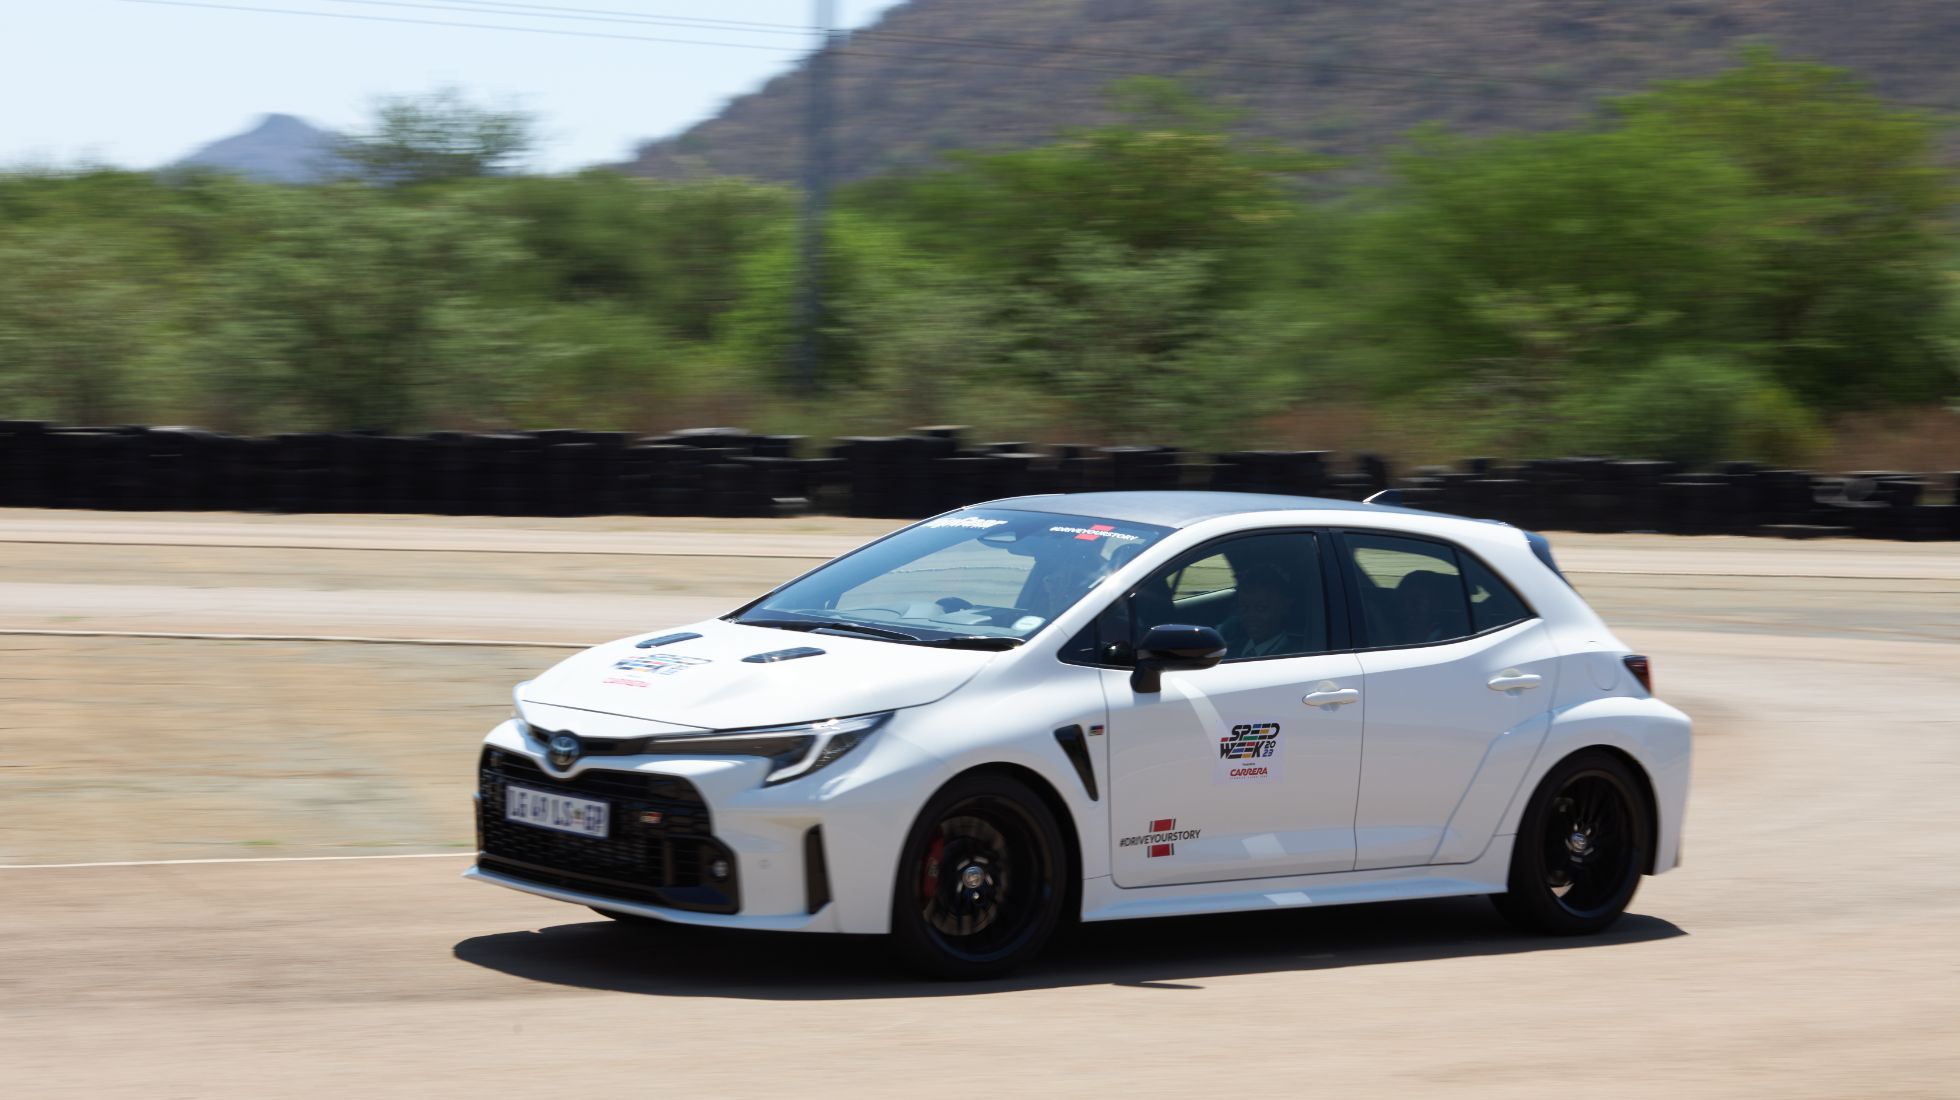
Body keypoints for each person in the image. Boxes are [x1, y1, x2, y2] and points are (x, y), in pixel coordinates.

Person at [1218, 563, 1315, 659]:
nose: (1250, 617)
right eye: (1244, 608)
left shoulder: (1294, 655)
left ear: (1284, 607)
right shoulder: (1231, 645)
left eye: (1261, 608)